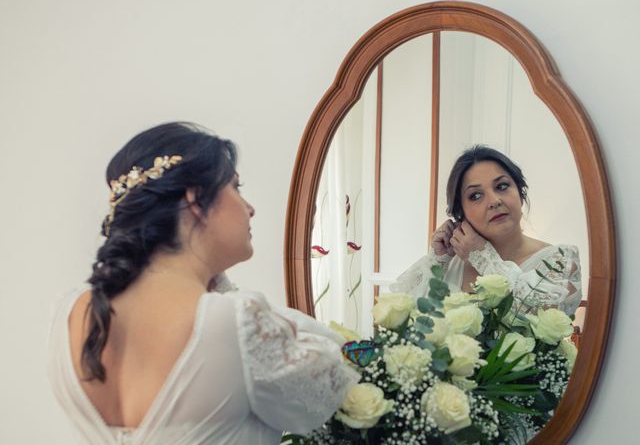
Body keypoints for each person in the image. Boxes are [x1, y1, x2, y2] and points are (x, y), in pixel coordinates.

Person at [47, 122, 359, 445]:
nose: (249, 208)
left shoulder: (68, 314)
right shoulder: (236, 321)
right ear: (196, 201)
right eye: (236, 187)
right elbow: (334, 387)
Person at [390, 145, 582, 316]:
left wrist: (482, 257)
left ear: (521, 194)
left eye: (502, 186)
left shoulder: (559, 260)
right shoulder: (449, 265)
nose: (494, 201)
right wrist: (438, 260)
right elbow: (405, 322)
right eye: (475, 195)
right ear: (461, 213)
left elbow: (544, 321)